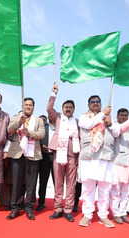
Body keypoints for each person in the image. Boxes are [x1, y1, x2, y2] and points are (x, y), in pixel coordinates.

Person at [78, 95, 120, 228]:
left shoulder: (108, 119)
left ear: (101, 104)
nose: (95, 104)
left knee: (105, 189)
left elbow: (117, 133)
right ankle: (87, 215)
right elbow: (89, 124)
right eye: (92, 102)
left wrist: (110, 123)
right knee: (88, 188)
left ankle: (103, 215)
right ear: (88, 105)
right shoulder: (83, 117)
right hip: (89, 157)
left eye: (98, 102)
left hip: (106, 157)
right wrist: (102, 115)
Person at [6, 98, 45, 220]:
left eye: (30, 105)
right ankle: (15, 208)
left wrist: (29, 133)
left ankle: (29, 208)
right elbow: (9, 130)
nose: (28, 107)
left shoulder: (38, 120)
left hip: (33, 154)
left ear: (33, 107)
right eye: (26, 105)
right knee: (16, 182)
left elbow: (42, 134)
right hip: (18, 153)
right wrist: (18, 123)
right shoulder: (16, 117)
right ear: (22, 106)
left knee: (31, 183)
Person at [47, 83, 79, 222]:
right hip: (58, 154)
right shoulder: (58, 118)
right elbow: (48, 108)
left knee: (71, 185)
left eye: (70, 108)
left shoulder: (77, 122)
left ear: (73, 110)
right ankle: (58, 208)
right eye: (66, 107)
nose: (68, 109)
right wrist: (54, 94)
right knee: (58, 183)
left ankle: (68, 210)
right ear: (62, 109)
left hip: (72, 155)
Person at [109, 108, 129, 224]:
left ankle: (123, 212)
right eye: (121, 115)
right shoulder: (114, 127)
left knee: (126, 191)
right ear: (117, 117)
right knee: (115, 191)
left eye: (126, 115)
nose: (124, 117)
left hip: (127, 164)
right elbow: (118, 132)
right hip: (116, 163)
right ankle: (115, 213)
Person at [36, 114, 55, 212]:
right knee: (43, 182)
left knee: (57, 183)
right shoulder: (44, 127)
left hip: (56, 157)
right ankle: (41, 202)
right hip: (44, 157)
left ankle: (58, 204)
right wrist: (41, 147)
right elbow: (37, 141)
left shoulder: (60, 128)